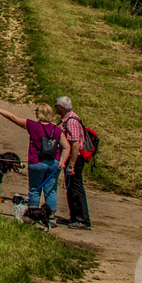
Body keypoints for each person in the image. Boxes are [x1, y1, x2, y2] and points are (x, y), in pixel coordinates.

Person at [0, 104, 60, 218]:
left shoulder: (33, 125)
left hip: (37, 162)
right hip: (53, 163)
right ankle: (51, 216)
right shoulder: (57, 129)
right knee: (51, 190)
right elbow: (66, 146)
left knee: (35, 189)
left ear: (40, 113)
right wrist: (64, 162)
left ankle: (32, 214)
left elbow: (13, 118)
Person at [56, 95, 91, 229]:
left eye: (57, 106)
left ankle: (82, 219)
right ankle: (75, 217)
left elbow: (75, 145)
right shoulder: (68, 119)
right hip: (73, 158)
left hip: (76, 159)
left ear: (62, 107)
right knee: (71, 188)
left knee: (76, 188)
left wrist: (71, 164)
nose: (56, 108)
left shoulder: (71, 121)